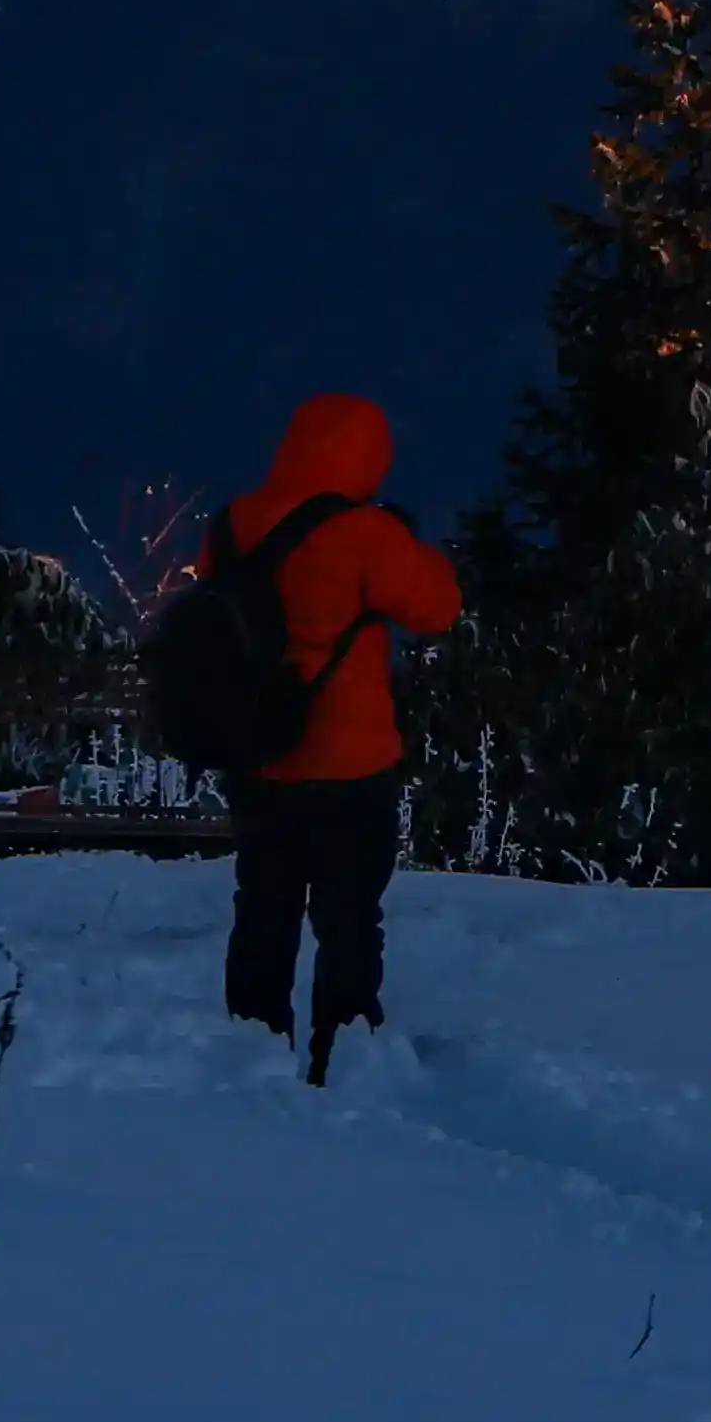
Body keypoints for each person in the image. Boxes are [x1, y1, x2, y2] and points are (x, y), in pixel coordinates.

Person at [209, 391, 461, 1081]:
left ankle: (253, 1047)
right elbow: (438, 606)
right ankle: (342, 1051)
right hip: (350, 765)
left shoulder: (234, 524)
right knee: (348, 916)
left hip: (259, 757)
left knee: (263, 907)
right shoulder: (366, 535)